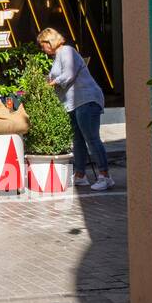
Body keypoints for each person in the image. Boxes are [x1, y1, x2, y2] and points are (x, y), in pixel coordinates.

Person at [37, 28, 114, 191]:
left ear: (49, 42)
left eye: (42, 45)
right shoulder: (59, 56)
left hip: (86, 99)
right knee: (78, 140)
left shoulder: (66, 51)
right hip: (73, 102)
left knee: (91, 138)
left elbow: (68, 74)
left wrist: (51, 83)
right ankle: (80, 175)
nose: (42, 49)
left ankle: (105, 176)